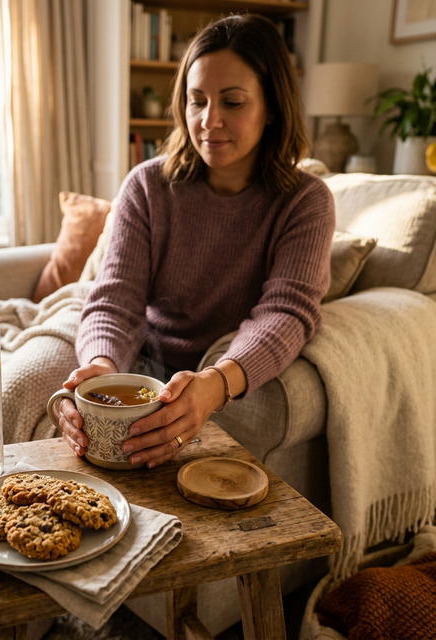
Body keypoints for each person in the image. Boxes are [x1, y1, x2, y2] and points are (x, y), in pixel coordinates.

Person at [53, 13, 335, 469]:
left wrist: (217, 384)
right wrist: (101, 371)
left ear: (272, 109)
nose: (209, 120)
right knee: (31, 382)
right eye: (197, 100)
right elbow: (115, 300)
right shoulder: (146, 185)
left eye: (233, 102)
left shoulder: (306, 202)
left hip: (219, 365)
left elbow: (287, 312)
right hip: (138, 353)